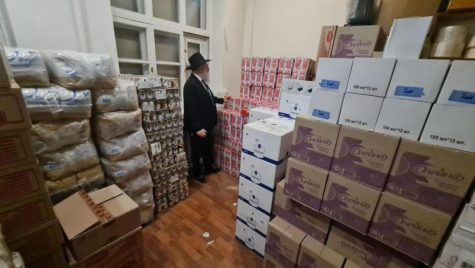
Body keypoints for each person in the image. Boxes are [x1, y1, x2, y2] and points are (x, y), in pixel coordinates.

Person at [184, 52, 227, 183]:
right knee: (197, 150)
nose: (208, 69)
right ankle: (198, 173)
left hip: (207, 123)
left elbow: (209, 98)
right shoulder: (191, 84)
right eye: (207, 67)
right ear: (201, 68)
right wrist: (197, 128)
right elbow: (190, 109)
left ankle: (209, 167)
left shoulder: (202, 82)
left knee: (208, 147)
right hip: (199, 126)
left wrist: (223, 100)